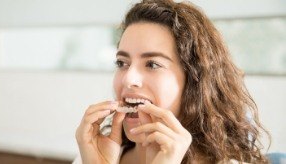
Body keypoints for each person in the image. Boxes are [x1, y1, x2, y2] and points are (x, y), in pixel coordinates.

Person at [74, 0, 270, 163]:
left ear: (195, 80)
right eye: (122, 62)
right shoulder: (94, 156)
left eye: (152, 64)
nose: (128, 79)